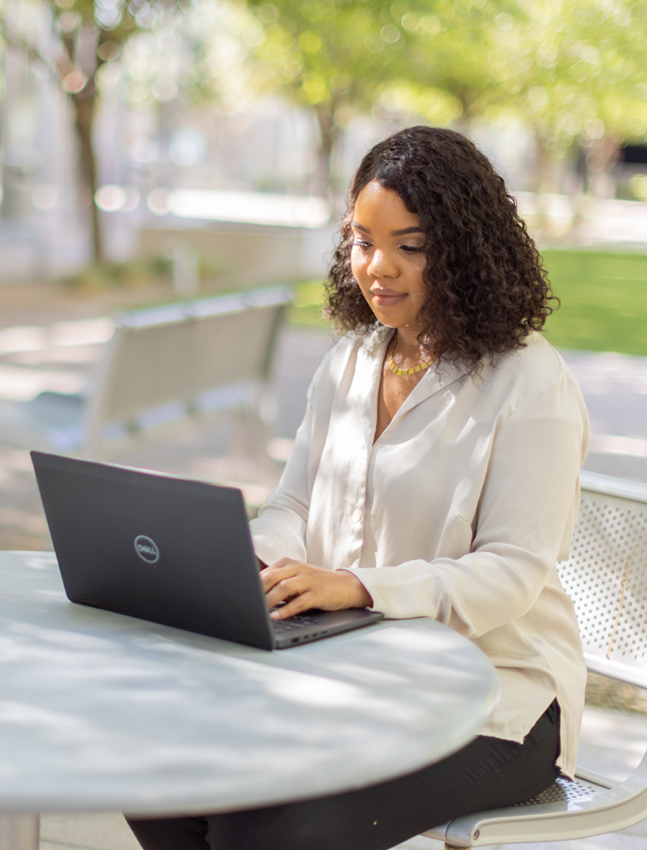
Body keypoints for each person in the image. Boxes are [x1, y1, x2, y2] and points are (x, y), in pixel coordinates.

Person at [126, 126, 590, 850]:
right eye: (362, 241)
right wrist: (247, 560)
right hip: (359, 671)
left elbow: (513, 573)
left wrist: (361, 588)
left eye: (409, 245)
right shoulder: (350, 363)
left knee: (279, 829)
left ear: (462, 249)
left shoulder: (529, 383)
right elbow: (295, 507)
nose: (378, 268)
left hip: (498, 698)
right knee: (160, 770)